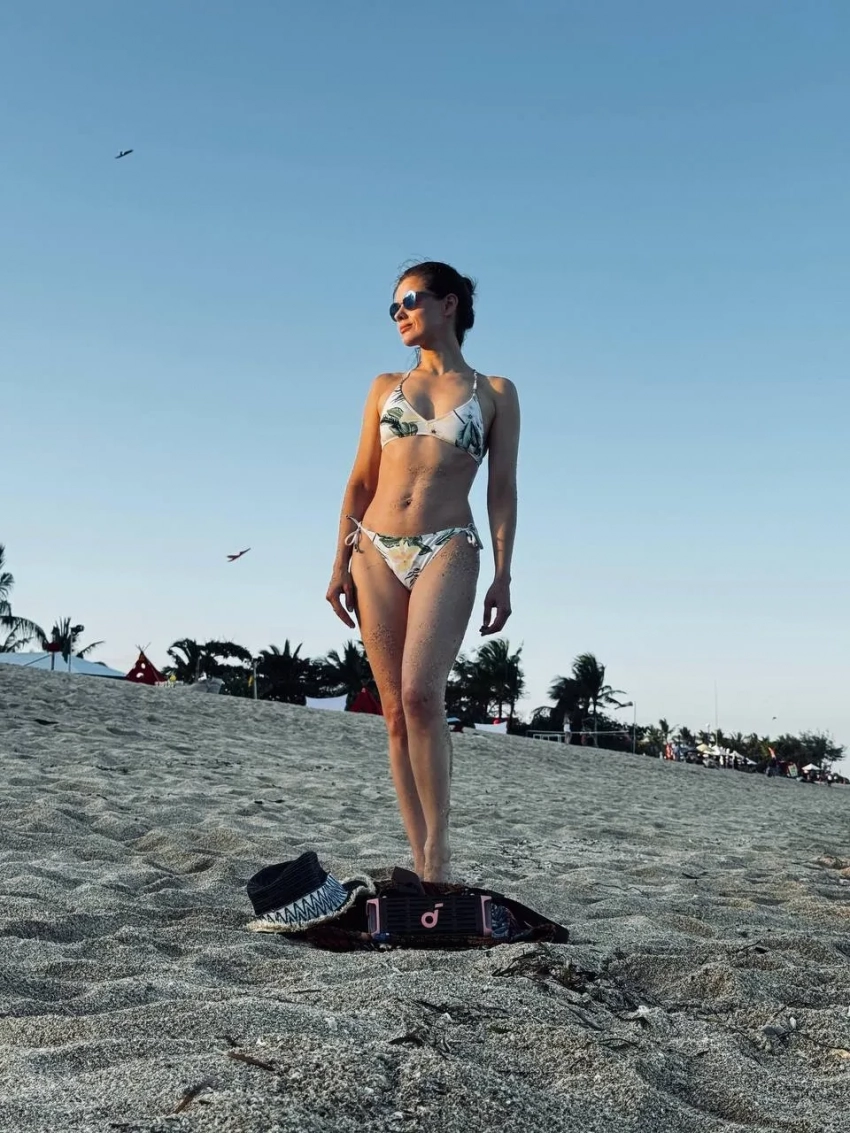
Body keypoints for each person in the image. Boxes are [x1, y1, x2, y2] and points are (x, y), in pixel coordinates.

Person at [325, 261, 520, 882]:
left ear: (450, 303)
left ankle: (438, 854)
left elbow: (502, 490)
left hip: (449, 544)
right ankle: (418, 858)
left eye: (409, 300)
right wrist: (338, 562)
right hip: (375, 548)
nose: (399, 314)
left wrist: (504, 573)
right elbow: (360, 481)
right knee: (392, 712)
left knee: (420, 695)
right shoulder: (384, 387)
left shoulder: (495, 392)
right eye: (393, 308)